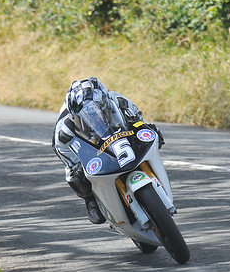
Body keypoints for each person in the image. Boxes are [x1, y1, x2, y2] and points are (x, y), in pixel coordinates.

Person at [52, 77, 164, 224]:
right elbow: (64, 153)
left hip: (118, 132)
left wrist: (146, 129)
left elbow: (137, 118)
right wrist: (77, 166)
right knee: (75, 176)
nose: (97, 118)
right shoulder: (63, 131)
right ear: (75, 116)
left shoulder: (118, 100)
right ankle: (90, 199)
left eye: (100, 110)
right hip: (87, 142)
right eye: (90, 116)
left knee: (152, 138)